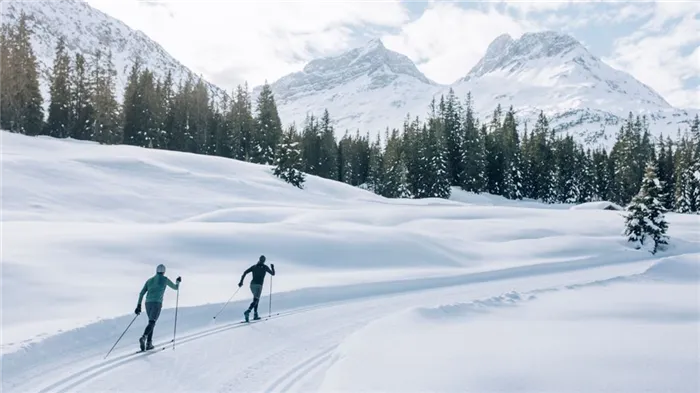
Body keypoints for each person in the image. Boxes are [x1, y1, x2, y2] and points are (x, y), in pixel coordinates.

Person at [135, 264, 181, 351]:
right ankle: (144, 337)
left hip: (147, 303)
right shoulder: (165, 279)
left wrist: (138, 306)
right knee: (152, 322)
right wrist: (178, 281)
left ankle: (149, 343)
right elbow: (175, 288)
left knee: (151, 322)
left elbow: (141, 293)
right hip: (157, 303)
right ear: (164, 272)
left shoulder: (149, 280)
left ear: (156, 271)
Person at [238, 255, 275, 322]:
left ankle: (255, 314)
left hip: (252, 285)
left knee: (255, 299)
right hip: (259, 285)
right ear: (264, 261)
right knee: (256, 300)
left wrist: (241, 282)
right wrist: (272, 267)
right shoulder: (265, 267)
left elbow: (245, 272)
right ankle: (248, 311)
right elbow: (273, 274)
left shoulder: (254, 266)